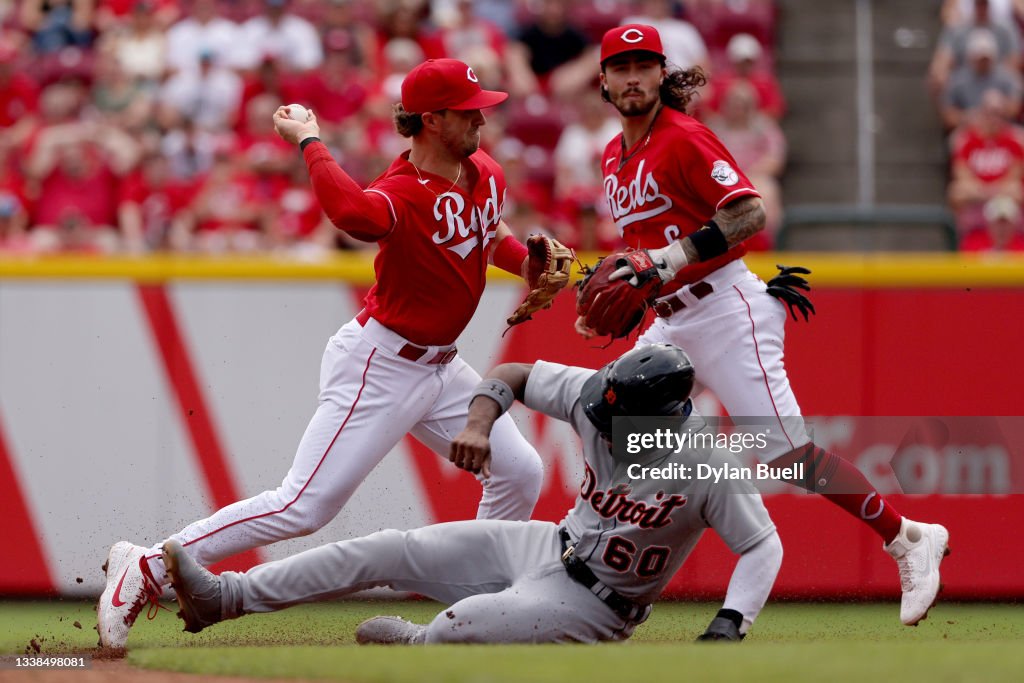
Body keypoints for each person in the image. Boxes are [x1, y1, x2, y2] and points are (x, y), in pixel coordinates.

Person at [97, 57, 554, 649]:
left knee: (519, 471)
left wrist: (528, 265)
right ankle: (149, 566)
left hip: (442, 367)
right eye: (468, 114)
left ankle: (479, 606)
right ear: (432, 120)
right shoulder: (401, 192)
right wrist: (311, 140)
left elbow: (489, 238)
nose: (481, 122)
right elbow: (351, 213)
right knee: (303, 506)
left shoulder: (484, 172)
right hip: (380, 364)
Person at [579, 24, 950, 626]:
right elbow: (642, 253)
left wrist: (672, 260)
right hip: (672, 321)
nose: (632, 77)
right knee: (612, 420)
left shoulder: (684, 138)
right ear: (602, 80)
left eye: (643, 65)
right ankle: (612, 571)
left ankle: (906, 537)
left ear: (661, 74)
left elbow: (750, 211)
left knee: (787, 456)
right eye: (620, 67)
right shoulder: (612, 153)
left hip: (725, 309)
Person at [163, 344, 783, 644]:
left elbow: (761, 545)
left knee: (461, 626)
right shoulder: (597, 396)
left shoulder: (706, 462)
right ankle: (225, 597)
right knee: (387, 548)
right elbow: (513, 375)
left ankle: (419, 644)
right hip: (546, 545)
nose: (598, 414)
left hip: (602, 603)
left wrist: (732, 620)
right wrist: (479, 423)